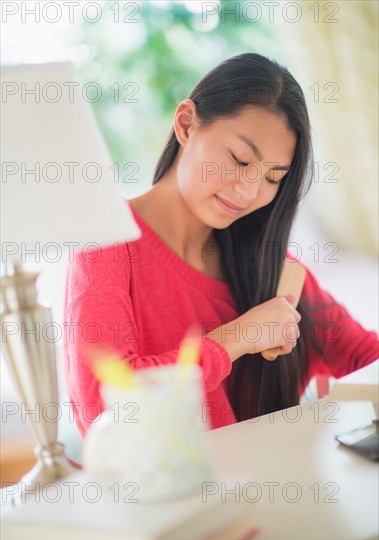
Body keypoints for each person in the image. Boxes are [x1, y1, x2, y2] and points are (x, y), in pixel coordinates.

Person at [63, 53, 379, 437]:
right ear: (185, 124)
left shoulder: (270, 267)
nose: (249, 191)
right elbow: (105, 409)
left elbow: (367, 356)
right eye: (240, 159)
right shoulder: (106, 241)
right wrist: (237, 337)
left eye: (273, 177)